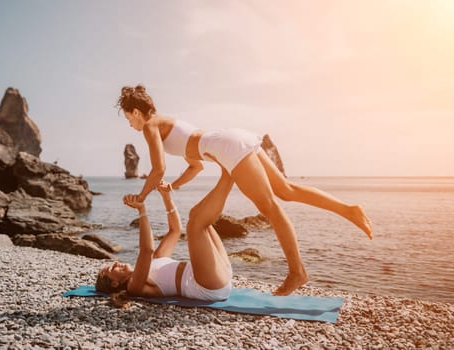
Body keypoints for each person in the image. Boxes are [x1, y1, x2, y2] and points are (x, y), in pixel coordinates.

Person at [117, 84, 373, 295]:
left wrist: (141, 197)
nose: (130, 125)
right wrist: (173, 186)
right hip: (231, 139)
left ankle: (297, 272)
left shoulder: (150, 127)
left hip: (227, 148)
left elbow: (158, 168)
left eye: (129, 118)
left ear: (137, 112)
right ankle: (349, 209)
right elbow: (196, 167)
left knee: (270, 206)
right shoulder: (166, 123)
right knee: (286, 189)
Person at [96, 171, 234, 301]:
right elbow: (146, 250)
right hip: (208, 287)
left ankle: (232, 171)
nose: (115, 263)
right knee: (196, 225)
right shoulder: (134, 286)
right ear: (114, 283)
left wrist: (166, 196)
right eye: (112, 268)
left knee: (195, 214)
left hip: (220, 273)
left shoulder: (156, 259)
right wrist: (141, 210)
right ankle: (231, 171)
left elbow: (175, 230)